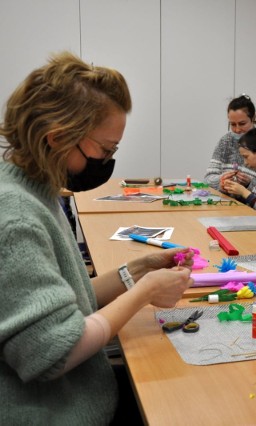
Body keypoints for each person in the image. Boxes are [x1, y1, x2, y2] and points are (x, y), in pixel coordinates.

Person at [0, 52, 194, 424]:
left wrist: (136, 271)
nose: (107, 159)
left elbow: (67, 298)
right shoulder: (16, 215)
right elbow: (54, 350)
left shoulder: (36, 188)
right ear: (57, 138)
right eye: (105, 149)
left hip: (82, 395)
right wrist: (144, 293)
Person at [203, 94, 256, 192]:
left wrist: (249, 184)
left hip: (250, 206)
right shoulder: (225, 142)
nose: (237, 129)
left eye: (242, 124)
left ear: (252, 119)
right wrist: (222, 181)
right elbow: (207, 180)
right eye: (232, 124)